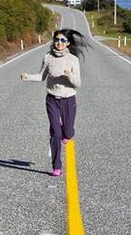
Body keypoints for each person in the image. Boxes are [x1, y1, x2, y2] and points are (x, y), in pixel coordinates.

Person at [21, 29, 90, 177]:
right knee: (55, 133)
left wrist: (69, 75)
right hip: (52, 99)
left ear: (68, 43)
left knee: (68, 132)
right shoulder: (48, 57)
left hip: (69, 99)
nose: (59, 43)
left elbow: (77, 83)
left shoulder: (73, 60)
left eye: (63, 40)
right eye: (57, 40)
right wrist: (27, 77)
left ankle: (68, 133)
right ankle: (56, 166)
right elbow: (41, 76)